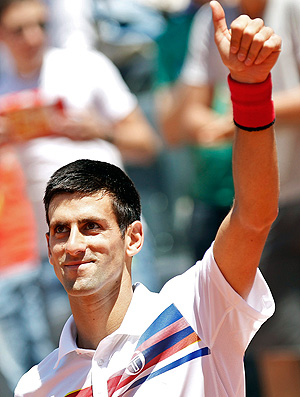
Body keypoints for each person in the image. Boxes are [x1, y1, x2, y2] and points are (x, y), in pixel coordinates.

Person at [14, 1, 281, 395]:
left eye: (91, 226)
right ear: (48, 247)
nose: (74, 244)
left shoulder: (198, 306)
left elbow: (254, 215)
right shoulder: (36, 387)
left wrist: (251, 88)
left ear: (133, 237)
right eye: (60, 230)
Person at [162, 0, 300, 394]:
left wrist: (247, 104)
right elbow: (185, 117)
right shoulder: (213, 18)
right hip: (254, 207)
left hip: (277, 204)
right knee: (277, 347)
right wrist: (237, 111)